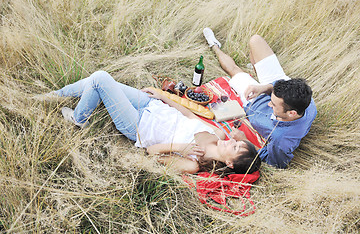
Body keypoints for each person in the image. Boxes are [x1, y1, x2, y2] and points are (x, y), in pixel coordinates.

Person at [50, 70, 261, 175]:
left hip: (138, 125)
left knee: (101, 78)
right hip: (152, 107)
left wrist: (181, 147)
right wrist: (163, 96)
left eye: (234, 148)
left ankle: (78, 119)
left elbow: (151, 152)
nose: (231, 142)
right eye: (237, 142)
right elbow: (189, 115)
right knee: (100, 81)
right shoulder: (219, 134)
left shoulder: (193, 164)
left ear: (230, 163)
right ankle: (55, 95)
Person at [203, 28, 317, 169]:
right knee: (255, 40)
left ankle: (214, 46)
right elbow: (279, 86)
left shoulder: (281, 140)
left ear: (291, 113)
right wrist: (263, 88)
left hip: (253, 102)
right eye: (272, 100)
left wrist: (244, 140)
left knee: (235, 71)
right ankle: (255, 71)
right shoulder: (306, 100)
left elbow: (275, 162)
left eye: (274, 105)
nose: (269, 104)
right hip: (278, 84)